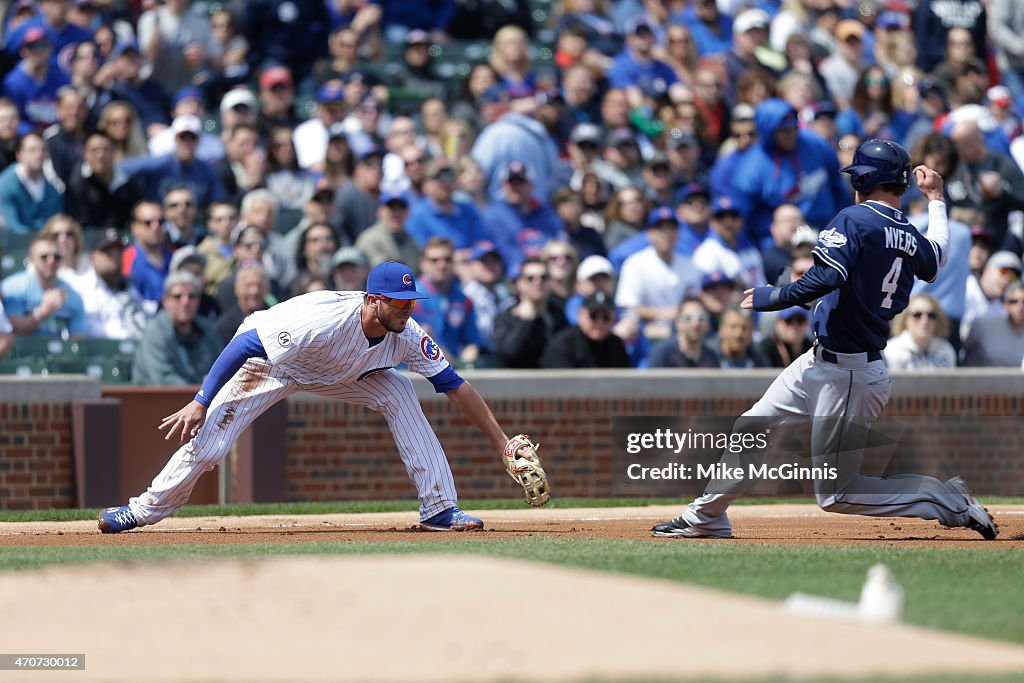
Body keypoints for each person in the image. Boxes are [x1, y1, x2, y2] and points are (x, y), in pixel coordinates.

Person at [651, 138, 999, 541]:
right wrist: (936, 200)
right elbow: (935, 260)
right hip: (824, 363)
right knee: (754, 426)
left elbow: (827, 276)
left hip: (848, 372)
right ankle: (706, 516)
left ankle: (946, 500)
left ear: (865, 179)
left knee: (836, 493)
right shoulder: (906, 230)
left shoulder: (855, 219)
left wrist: (774, 297)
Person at [98, 261, 523, 534]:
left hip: (341, 371)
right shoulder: (321, 318)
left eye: (411, 302)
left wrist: (501, 440)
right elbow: (245, 343)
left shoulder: (408, 335)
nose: (407, 310)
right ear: (373, 299)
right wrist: (201, 400)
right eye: (398, 302)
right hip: (273, 362)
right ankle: (142, 510)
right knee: (210, 447)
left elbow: (454, 385)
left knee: (398, 389)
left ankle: (439, 509)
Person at [131, 271, 222, 386]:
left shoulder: (208, 329)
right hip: (156, 401)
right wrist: (200, 396)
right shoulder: (155, 331)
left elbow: (221, 370)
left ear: (199, 300)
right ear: (165, 300)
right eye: (177, 296)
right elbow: (163, 379)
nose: (185, 302)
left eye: (191, 296)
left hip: (201, 400)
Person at [1, 234, 86, 338]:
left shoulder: (73, 297)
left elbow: (78, 341)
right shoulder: (12, 288)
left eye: (56, 257)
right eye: (44, 257)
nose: (51, 261)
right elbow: (14, 331)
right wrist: (42, 311)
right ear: (31, 259)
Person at [540, 290, 630, 369]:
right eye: (593, 315)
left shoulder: (616, 345)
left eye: (606, 317)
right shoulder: (562, 345)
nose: (599, 322)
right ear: (580, 315)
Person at [0, 131, 63, 234]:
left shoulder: (53, 188)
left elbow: (55, 223)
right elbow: (11, 228)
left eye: (43, 150)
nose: (39, 155)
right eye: (32, 150)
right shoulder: (4, 186)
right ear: (19, 154)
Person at [884, 294, 957, 371]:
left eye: (931, 315)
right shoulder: (892, 350)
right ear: (905, 320)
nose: (925, 320)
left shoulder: (946, 349)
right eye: (917, 315)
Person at [962, 281, 1024, 368]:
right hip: (979, 380)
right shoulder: (982, 324)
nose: (1020, 307)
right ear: (1005, 304)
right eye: (1013, 301)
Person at [647, 297, 720, 368]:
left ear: (708, 323)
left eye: (701, 317)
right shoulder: (662, 353)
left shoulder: (711, 356)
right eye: (688, 318)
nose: (695, 324)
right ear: (677, 322)